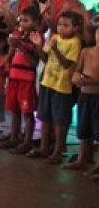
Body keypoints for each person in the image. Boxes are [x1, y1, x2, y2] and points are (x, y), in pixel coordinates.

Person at [29, 11, 83, 163]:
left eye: (66, 26)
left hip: (63, 87)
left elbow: (67, 64)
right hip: (48, 82)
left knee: (60, 121)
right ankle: (44, 147)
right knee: (45, 117)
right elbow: (45, 58)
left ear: (76, 28)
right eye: (59, 24)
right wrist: (39, 46)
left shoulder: (75, 42)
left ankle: (58, 150)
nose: (61, 28)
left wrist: (55, 49)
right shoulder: (54, 38)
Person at [0, 6, 43, 154]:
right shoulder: (18, 34)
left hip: (27, 79)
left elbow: (34, 62)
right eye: (21, 20)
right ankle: (14, 137)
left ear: (35, 22)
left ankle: (27, 141)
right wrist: (8, 59)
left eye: (26, 21)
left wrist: (22, 47)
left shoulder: (36, 38)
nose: (22, 23)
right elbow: (11, 54)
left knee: (27, 111)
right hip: (14, 76)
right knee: (14, 110)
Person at [66, 17, 99, 173]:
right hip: (85, 96)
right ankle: (81, 159)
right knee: (83, 130)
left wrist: (88, 81)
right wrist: (77, 78)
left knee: (97, 131)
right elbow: (77, 71)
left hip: (96, 96)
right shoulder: (86, 52)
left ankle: (97, 164)